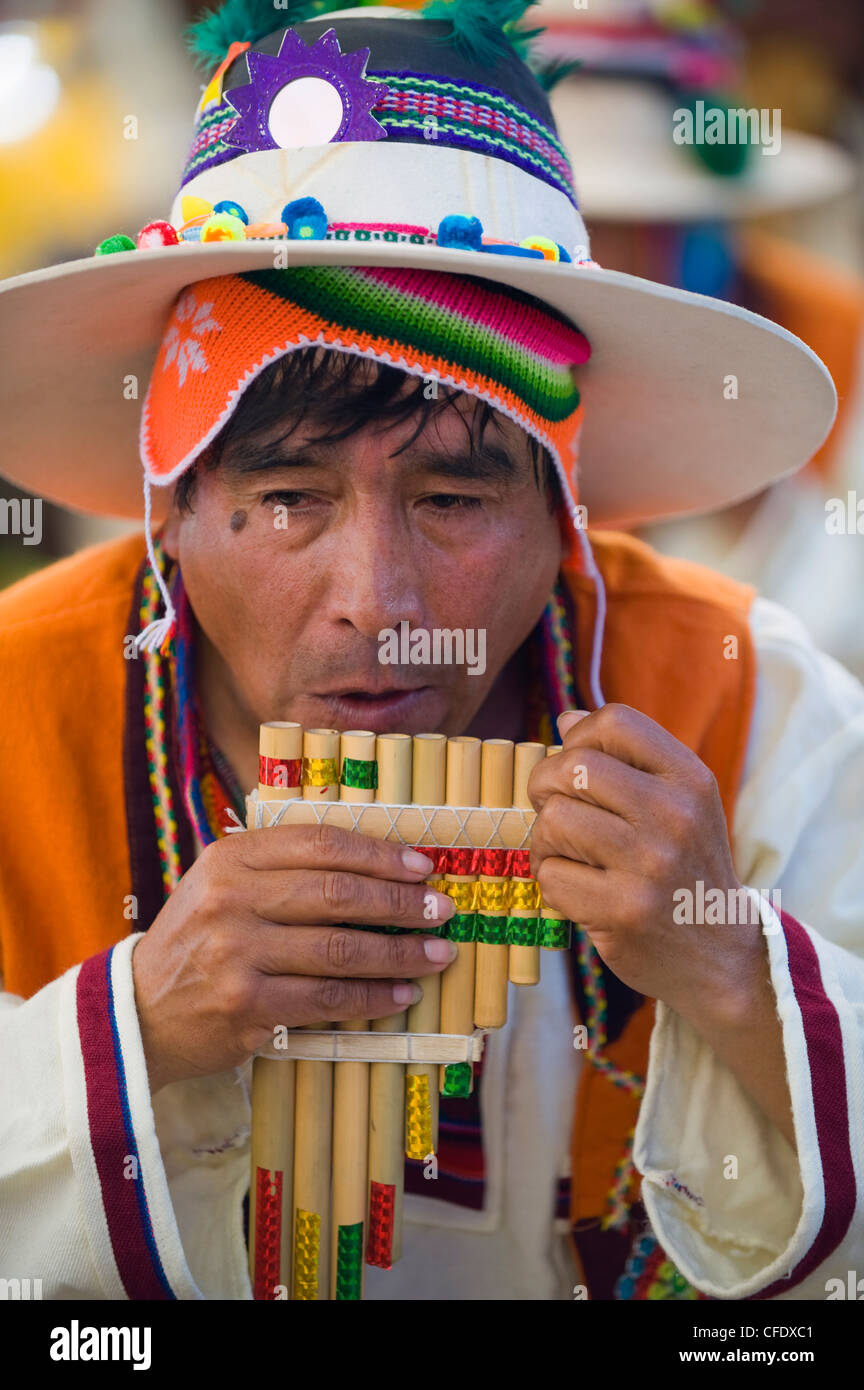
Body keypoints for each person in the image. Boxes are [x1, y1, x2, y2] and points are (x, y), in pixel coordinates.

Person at [0, 1, 861, 1303]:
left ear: (567, 510)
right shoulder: (15, 708)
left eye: (454, 501)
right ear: (168, 501)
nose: (378, 600)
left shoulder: (759, 701)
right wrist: (134, 1031)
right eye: (290, 498)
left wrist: (732, 966)